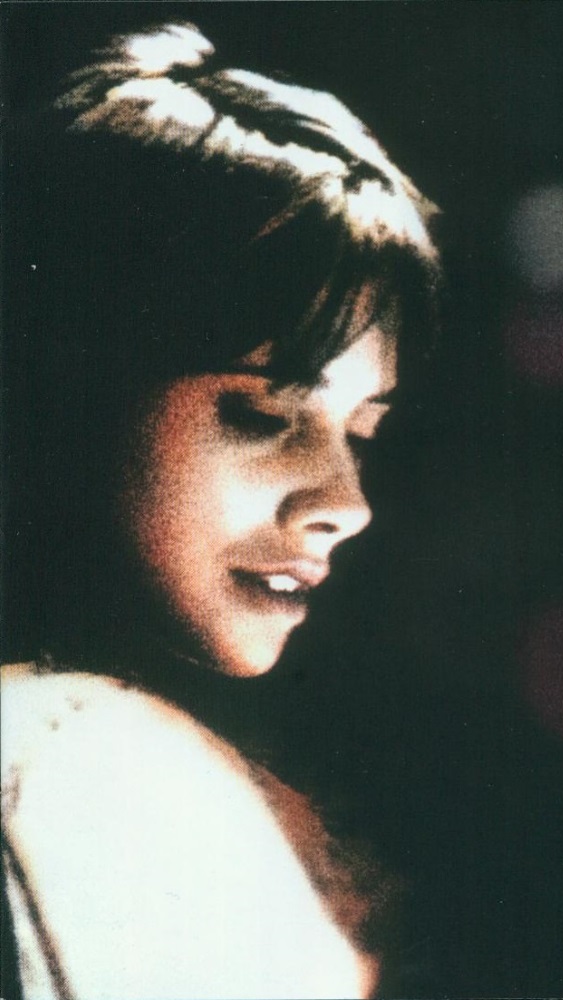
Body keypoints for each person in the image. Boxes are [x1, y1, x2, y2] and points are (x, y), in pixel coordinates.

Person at [1, 21, 440, 1000]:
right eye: (260, 415)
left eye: (359, 431)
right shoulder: (64, 756)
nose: (346, 503)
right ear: (65, 388)